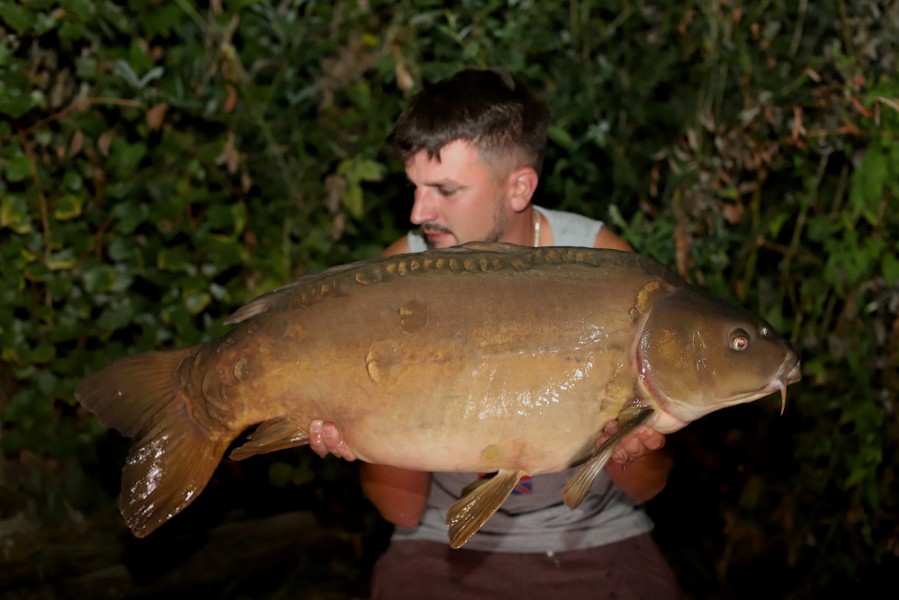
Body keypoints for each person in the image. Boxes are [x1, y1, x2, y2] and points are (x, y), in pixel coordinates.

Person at [309, 68, 680, 599]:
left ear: (519, 187)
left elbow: (650, 488)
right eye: (414, 189)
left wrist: (633, 445)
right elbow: (401, 508)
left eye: (445, 190)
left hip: (593, 535)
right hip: (440, 541)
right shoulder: (399, 278)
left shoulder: (608, 271)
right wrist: (365, 432)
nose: (418, 213)